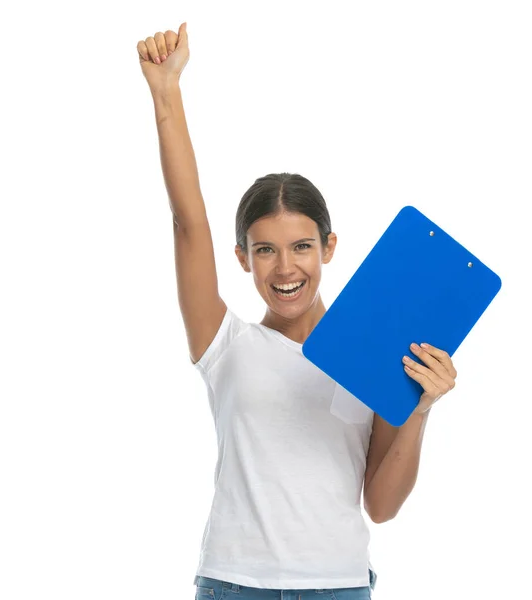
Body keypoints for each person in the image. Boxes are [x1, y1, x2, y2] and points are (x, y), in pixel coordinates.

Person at [137, 21, 458, 600]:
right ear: (242, 258)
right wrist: (167, 93)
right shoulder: (224, 343)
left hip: (337, 585)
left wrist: (421, 408)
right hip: (235, 583)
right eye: (265, 250)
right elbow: (189, 223)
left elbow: (382, 507)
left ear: (329, 248)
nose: (285, 269)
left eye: (302, 246)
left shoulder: (379, 353)